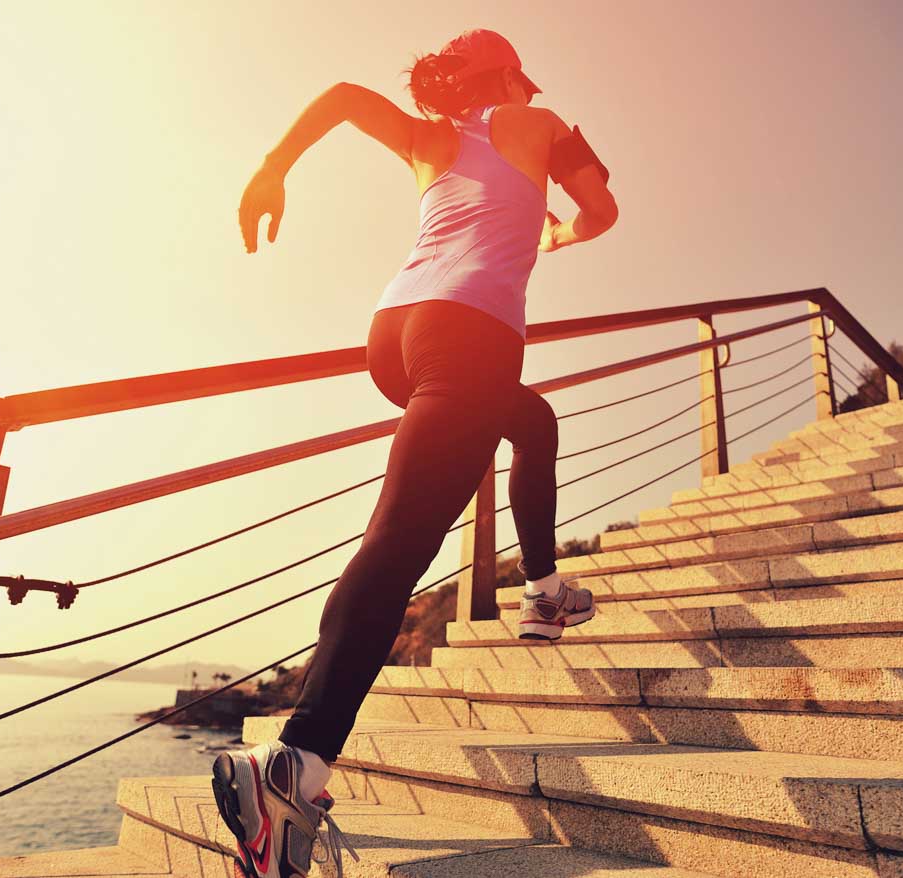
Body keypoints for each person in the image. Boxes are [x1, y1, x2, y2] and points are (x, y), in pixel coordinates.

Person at [211, 28, 618, 878]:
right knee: (398, 544)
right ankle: (295, 764)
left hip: (395, 333)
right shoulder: (540, 122)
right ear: (509, 73)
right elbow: (603, 213)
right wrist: (558, 237)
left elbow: (342, 99)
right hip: (470, 332)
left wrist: (272, 168)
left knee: (530, 422)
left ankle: (544, 593)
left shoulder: (430, 139)